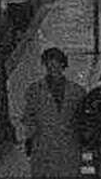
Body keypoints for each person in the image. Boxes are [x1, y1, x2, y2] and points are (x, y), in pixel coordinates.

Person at [20, 46, 86, 178]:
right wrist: (30, 138)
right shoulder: (34, 91)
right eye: (49, 65)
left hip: (69, 147)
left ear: (63, 65)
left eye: (56, 64)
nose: (53, 68)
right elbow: (29, 118)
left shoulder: (77, 92)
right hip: (44, 146)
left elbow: (83, 120)